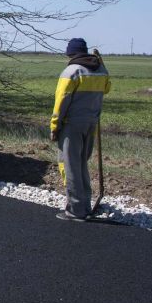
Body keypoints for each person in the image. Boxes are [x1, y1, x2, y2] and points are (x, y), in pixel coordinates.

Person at [50, 38, 111, 222]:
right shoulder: (100, 70)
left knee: (70, 166)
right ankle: (85, 205)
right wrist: (104, 66)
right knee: (81, 164)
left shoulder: (72, 71)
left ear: (70, 53)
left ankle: (76, 210)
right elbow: (107, 88)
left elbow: (61, 101)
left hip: (72, 125)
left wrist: (55, 126)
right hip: (91, 124)